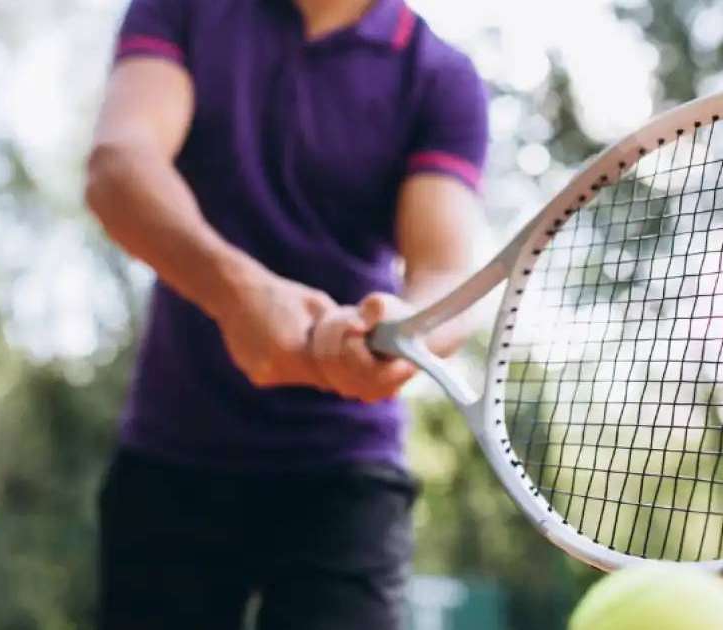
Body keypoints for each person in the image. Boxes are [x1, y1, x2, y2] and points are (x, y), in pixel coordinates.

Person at [84, 0, 488, 627]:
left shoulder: (439, 77)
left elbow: (444, 274)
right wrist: (239, 293)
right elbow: (119, 168)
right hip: (172, 457)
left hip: (346, 472)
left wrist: (401, 332)